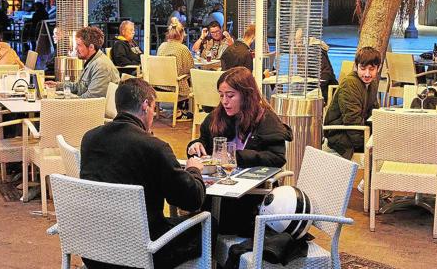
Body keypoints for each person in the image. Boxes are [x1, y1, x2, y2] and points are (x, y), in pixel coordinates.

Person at [81, 78, 206, 269]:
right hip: (141, 251)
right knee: (207, 224)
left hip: (95, 250)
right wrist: (193, 169)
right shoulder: (153, 147)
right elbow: (192, 199)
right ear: (146, 105)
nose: (154, 115)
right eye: (154, 108)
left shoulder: (89, 138)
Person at [187, 67, 292, 234]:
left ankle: (214, 246)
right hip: (219, 190)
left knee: (208, 223)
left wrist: (237, 157)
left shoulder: (265, 119)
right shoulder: (217, 116)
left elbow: (277, 158)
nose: (224, 101)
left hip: (251, 195)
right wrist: (195, 145)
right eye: (221, 95)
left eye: (230, 95)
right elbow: (205, 143)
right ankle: (210, 247)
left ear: (246, 94)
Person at [323, 46, 381, 160]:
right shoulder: (350, 83)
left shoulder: (372, 84)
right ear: (356, 66)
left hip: (359, 130)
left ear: (378, 68)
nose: (367, 74)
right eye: (363, 68)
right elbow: (351, 121)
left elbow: (374, 112)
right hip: (340, 135)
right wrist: (367, 144)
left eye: (372, 69)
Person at [45, 26, 119, 98]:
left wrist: (66, 101)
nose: (76, 48)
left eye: (79, 45)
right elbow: (78, 86)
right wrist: (57, 86)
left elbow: (91, 98)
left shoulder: (102, 66)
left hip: (94, 109)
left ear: (91, 47)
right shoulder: (91, 62)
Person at [157, 22, 194, 113]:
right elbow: (190, 68)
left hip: (158, 85)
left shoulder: (161, 46)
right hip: (174, 87)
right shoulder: (182, 48)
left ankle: (179, 109)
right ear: (182, 34)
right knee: (190, 77)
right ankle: (185, 110)